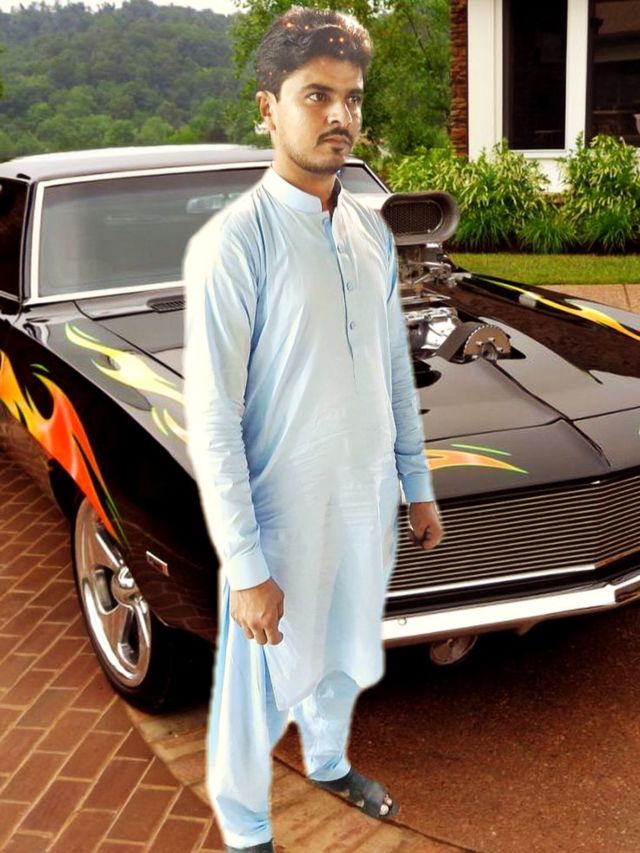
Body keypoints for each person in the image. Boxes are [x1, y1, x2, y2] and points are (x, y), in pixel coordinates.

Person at [182, 6, 444, 852]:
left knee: (342, 650)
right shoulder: (234, 245)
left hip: (364, 501)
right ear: (269, 108)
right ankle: (246, 826)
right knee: (255, 689)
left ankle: (329, 761)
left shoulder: (369, 231)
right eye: (316, 95)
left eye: (352, 98)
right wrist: (246, 564)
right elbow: (213, 417)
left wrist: (416, 484)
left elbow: (391, 369)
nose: (340, 115)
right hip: (282, 516)